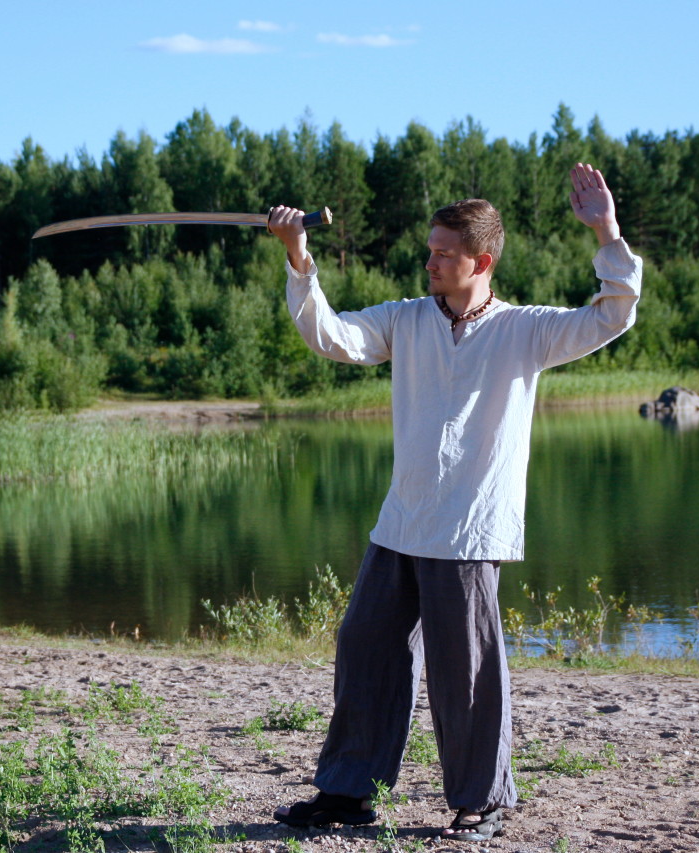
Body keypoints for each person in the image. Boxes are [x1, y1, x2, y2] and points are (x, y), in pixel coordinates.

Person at [266, 163, 642, 842]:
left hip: (469, 530)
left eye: (444, 253)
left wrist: (607, 233)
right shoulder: (406, 319)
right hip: (401, 522)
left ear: (482, 261)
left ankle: (481, 802)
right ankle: (348, 791)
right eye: (430, 249)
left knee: (464, 671)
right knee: (365, 645)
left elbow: (614, 312)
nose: (430, 262)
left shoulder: (525, 331)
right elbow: (333, 336)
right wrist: (299, 257)